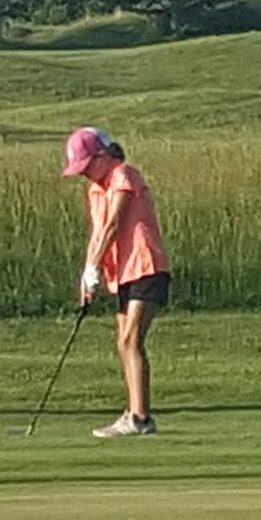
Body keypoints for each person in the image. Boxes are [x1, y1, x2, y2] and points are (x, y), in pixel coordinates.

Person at [65, 128, 174, 437]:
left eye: (87, 166)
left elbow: (114, 223)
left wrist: (94, 266)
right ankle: (134, 413)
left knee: (131, 340)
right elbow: (98, 232)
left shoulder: (123, 175)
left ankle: (140, 418)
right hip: (122, 272)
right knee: (122, 342)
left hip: (146, 266)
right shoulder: (96, 189)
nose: (84, 174)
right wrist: (88, 273)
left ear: (102, 157)